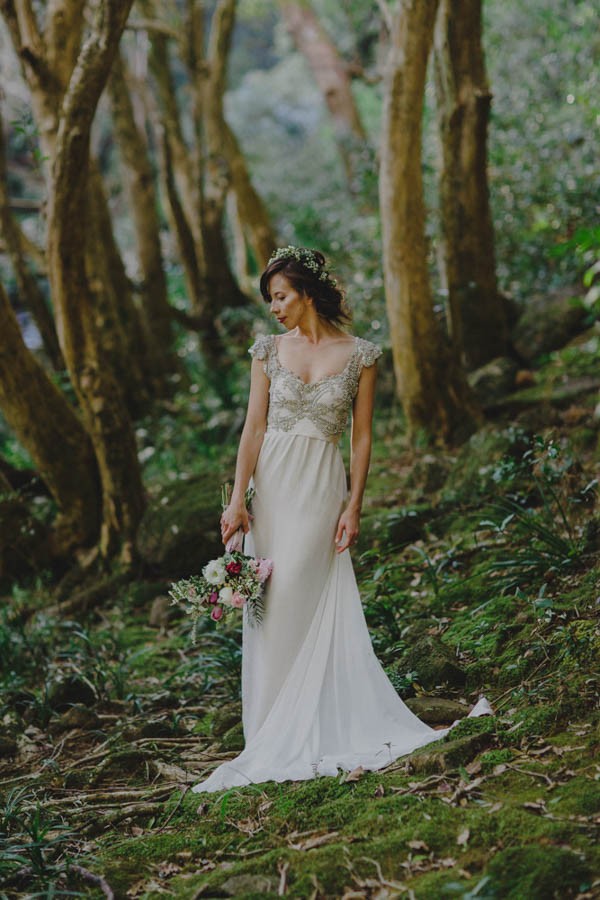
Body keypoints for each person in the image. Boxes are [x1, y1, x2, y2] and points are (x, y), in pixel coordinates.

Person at [191, 246, 490, 794]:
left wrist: (355, 504)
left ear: (306, 292)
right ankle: (270, 730)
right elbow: (252, 428)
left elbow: (362, 435)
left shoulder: (360, 355)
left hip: (321, 487)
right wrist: (236, 500)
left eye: (280, 297)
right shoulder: (267, 351)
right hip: (272, 487)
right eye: (269, 301)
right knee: (271, 602)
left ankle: (318, 720)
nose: (274, 309)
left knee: (305, 585)